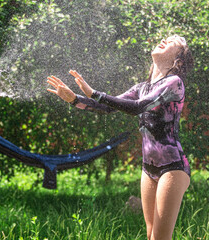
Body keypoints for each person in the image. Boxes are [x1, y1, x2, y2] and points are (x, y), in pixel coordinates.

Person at [47, 35, 194, 240]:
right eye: (165, 38)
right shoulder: (142, 88)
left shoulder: (174, 83)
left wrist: (93, 92)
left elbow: (137, 107)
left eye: (171, 42)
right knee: (150, 235)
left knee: (160, 238)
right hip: (148, 168)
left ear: (177, 59)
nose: (163, 40)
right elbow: (107, 107)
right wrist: (74, 99)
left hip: (173, 167)